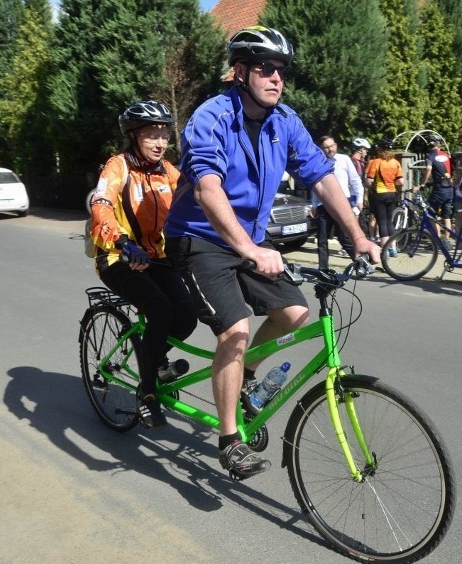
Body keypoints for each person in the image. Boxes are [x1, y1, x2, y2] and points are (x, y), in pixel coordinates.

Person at [163, 26, 381, 478]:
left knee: (295, 315)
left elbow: (322, 178)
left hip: (249, 242)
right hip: (199, 239)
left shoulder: (285, 121)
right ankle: (229, 440)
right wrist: (248, 248)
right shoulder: (213, 116)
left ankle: (240, 379)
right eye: (266, 68)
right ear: (240, 71)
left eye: (281, 70)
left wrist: (358, 237)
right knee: (236, 331)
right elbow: (207, 189)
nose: (276, 78)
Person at [87, 100, 198, 428]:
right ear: (134, 136)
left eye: (164, 134)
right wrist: (121, 241)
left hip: (158, 258)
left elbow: (196, 202)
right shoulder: (117, 166)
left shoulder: (169, 171)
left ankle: (153, 358)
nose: (160, 142)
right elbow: (101, 204)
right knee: (160, 309)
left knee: (188, 318)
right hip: (117, 256)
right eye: (151, 134)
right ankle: (147, 392)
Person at [311, 136, 364, 269]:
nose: (330, 149)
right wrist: (314, 205)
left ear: (336, 145)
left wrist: (359, 200)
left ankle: (360, 265)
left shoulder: (344, 160)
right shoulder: (319, 162)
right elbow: (316, 185)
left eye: (332, 146)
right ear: (322, 149)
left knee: (344, 238)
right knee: (322, 240)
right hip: (324, 205)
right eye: (326, 147)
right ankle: (323, 270)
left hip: (342, 204)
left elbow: (356, 181)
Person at [365, 137, 404, 256]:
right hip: (392, 193)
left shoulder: (376, 162)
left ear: (380, 149)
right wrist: (391, 183)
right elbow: (401, 182)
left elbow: (369, 181)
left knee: (381, 222)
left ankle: (385, 250)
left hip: (380, 193)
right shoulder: (396, 162)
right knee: (389, 222)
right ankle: (394, 248)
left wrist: (370, 188)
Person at [419, 134, 455, 248]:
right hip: (449, 188)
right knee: (447, 216)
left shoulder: (430, 155)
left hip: (439, 190)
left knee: (430, 214)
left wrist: (423, 183)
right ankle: (446, 241)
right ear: (439, 144)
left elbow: (429, 169)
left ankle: (437, 240)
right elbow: (451, 170)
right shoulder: (446, 155)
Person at [350, 137, 377, 240]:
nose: (366, 152)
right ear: (360, 150)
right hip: (353, 195)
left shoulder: (360, 163)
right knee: (354, 219)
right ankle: (352, 242)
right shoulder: (353, 162)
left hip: (357, 196)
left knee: (358, 219)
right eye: (365, 149)